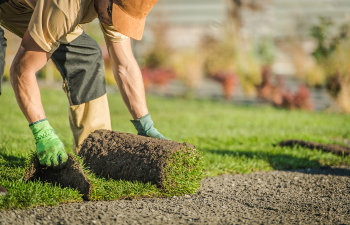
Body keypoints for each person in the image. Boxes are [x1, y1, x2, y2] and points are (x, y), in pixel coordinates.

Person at [0, 0, 167, 168]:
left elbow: (125, 65)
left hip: (22, 6)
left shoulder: (111, 8)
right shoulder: (65, 7)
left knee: (85, 55)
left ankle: (95, 154)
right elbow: (22, 69)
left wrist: (145, 124)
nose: (113, 21)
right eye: (113, 13)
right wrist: (42, 133)